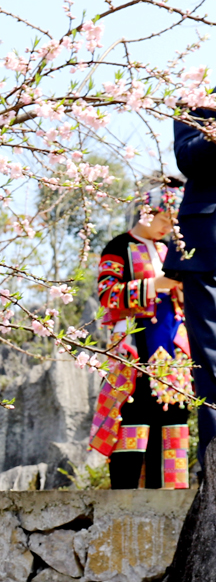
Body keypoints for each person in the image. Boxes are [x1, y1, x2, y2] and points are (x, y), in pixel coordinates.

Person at [89, 182, 193, 489]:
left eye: (175, 222)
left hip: (174, 358)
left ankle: (173, 499)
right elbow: (107, 295)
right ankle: (125, 498)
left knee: (174, 422)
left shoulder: (172, 251)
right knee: (133, 420)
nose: (169, 227)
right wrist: (155, 285)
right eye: (165, 219)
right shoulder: (118, 246)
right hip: (133, 355)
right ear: (148, 212)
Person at [168, 107, 216, 470]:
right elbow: (188, 158)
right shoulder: (199, 100)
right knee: (212, 360)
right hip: (208, 245)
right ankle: (215, 468)